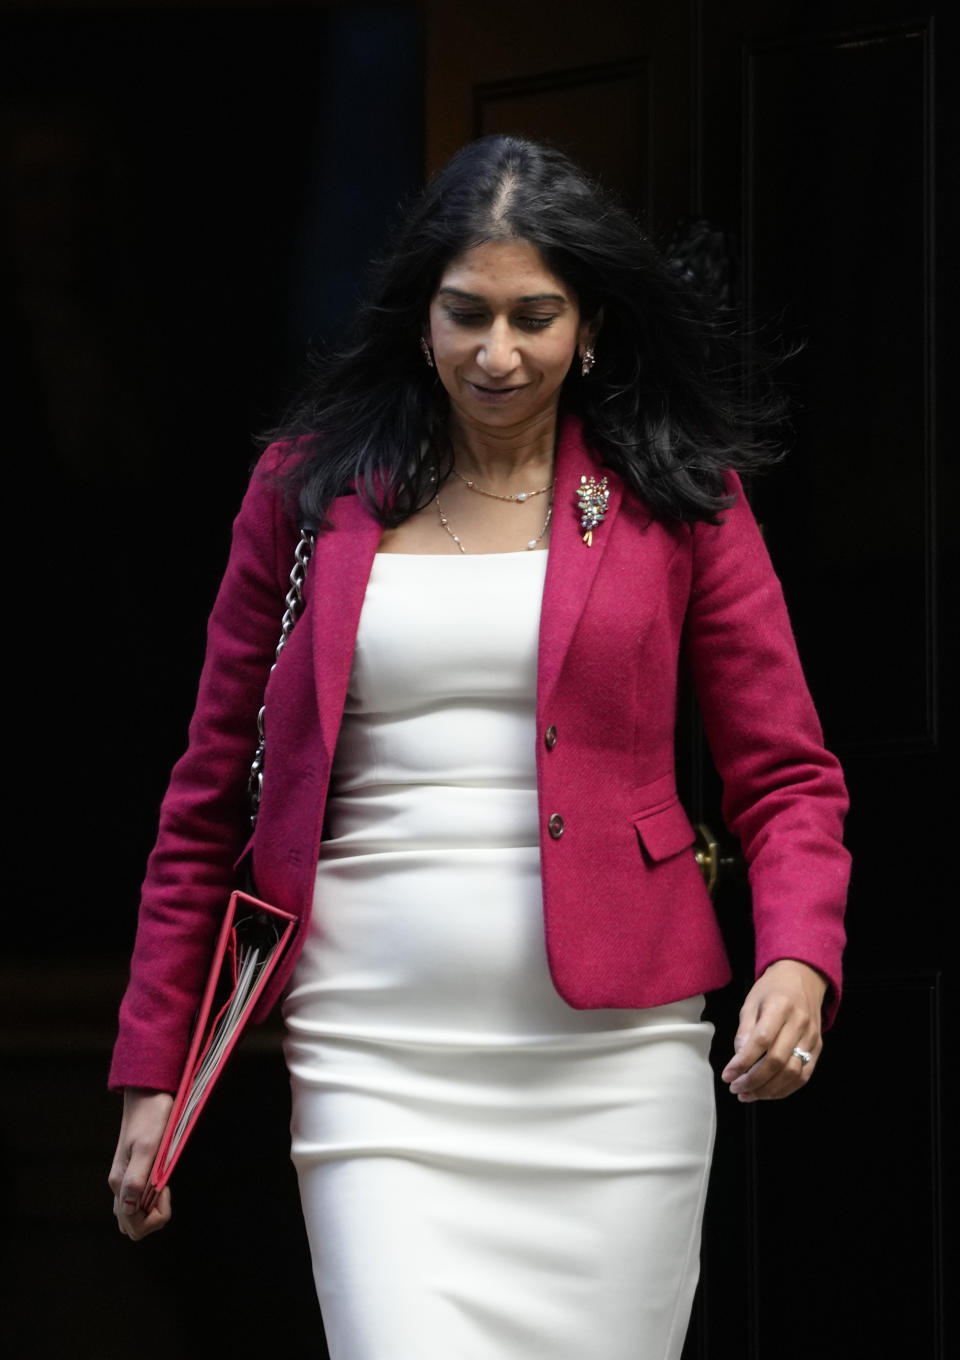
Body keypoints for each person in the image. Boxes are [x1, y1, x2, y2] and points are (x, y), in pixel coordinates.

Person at [108, 135, 850, 1359]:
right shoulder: (307, 494)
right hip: (373, 1065)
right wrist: (154, 1070)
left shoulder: (677, 495)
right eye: (466, 315)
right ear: (420, 319)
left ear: (591, 325)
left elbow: (786, 776)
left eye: (534, 317)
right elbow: (204, 803)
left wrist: (801, 959)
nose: (496, 352)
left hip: (615, 1072)